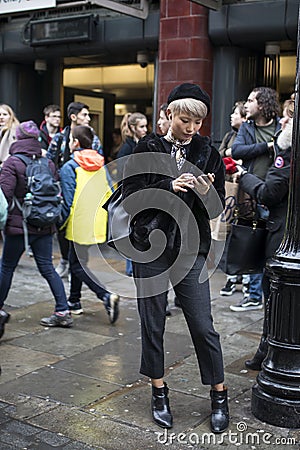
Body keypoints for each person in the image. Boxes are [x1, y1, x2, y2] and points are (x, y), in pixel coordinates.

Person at [122, 83, 229, 433]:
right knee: (153, 322)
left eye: (198, 123)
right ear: (168, 114)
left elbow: (216, 206)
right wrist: (169, 186)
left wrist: (205, 191)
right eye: (185, 120)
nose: (192, 128)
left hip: (189, 246)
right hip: (148, 246)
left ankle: (219, 393)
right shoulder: (148, 146)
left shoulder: (207, 151)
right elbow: (130, 196)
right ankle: (158, 391)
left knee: (202, 323)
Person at [234, 96, 294, 370]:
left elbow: (270, 193)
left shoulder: (288, 151)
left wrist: (244, 178)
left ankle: (269, 353)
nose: (282, 122)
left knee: (275, 298)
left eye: (287, 117)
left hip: (283, 237)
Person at [0, 120, 72, 339]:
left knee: (7, 267)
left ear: (18, 139)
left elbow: (5, 194)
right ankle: (63, 310)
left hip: (18, 226)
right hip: (44, 224)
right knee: (47, 267)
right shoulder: (48, 162)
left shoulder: (13, 162)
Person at [59, 125, 120, 324]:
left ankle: (105, 295)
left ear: (75, 143)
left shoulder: (70, 166)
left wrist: (58, 223)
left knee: (76, 265)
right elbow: (111, 192)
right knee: (79, 260)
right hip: (95, 220)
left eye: (70, 139)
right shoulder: (101, 164)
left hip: (77, 222)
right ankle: (74, 301)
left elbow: (68, 202)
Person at [229, 87, 281, 312]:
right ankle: (253, 295)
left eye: (251, 100)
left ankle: (271, 296)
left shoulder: (282, 126)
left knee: (274, 249)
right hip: (252, 193)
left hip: (276, 194)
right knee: (253, 240)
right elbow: (237, 151)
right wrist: (267, 146)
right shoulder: (248, 127)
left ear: (263, 104)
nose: (246, 105)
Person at [47, 101, 103, 279]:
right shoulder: (60, 137)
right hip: (61, 187)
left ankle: (78, 266)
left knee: (79, 228)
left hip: (84, 187)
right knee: (62, 226)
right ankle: (65, 261)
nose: (88, 118)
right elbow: (49, 161)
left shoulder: (92, 137)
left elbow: (98, 159)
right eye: (85, 115)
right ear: (73, 117)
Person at [218, 101, 250, 297]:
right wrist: (231, 156)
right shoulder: (230, 136)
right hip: (230, 188)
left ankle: (245, 280)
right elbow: (220, 154)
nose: (232, 116)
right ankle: (231, 278)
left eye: (235, 113)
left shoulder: (250, 135)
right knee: (227, 234)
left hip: (246, 189)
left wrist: (239, 159)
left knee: (245, 234)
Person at [117, 112, 148, 277]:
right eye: (142, 127)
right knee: (129, 230)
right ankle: (131, 267)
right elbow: (122, 174)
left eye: (145, 126)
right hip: (130, 195)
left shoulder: (141, 144)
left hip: (141, 193)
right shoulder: (127, 148)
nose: (145, 130)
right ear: (133, 128)